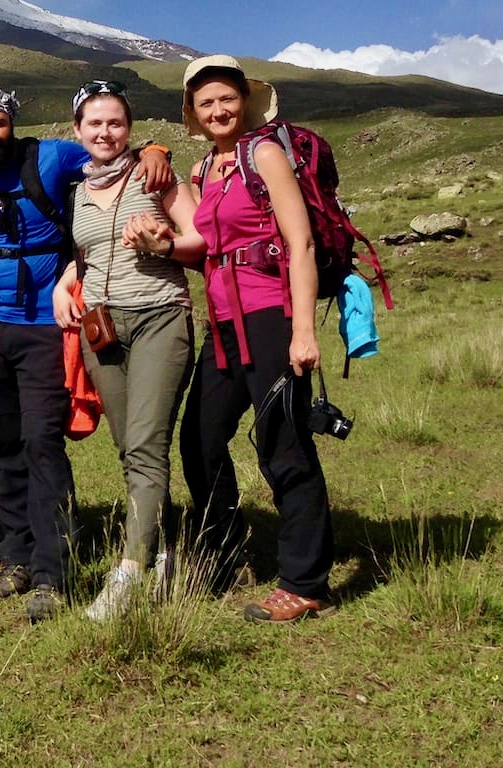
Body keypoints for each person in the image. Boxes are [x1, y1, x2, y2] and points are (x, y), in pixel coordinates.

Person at [0, 86, 172, 622]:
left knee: (42, 440)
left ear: (11, 123)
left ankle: (52, 571)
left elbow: (113, 149)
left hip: (46, 324)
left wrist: (157, 148)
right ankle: (15, 554)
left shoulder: (54, 155)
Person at [176, 55, 338, 622]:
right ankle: (220, 553)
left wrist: (302, 331)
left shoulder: (264, 154)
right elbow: (198, 245)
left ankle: (304, 581)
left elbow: (302, 245)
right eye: (206, 103)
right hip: (222, 324)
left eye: (226, 98)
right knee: (198, 442)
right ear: (193, 114)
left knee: (284, 446)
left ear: (244, 101)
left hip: (270, 317)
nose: (218, 110)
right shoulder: (203, 170)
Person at [51, 80, 201, 622]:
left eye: (115, 123)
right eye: (94, 123)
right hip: (102, 330)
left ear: (130, 128)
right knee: (130, 446)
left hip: (161, 317)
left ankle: (130, 573)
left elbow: (202, 241)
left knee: (144, 443)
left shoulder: (154, 175)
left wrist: (163, 244)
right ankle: (162, 555)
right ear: (78, 131)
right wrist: (62, 285)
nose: (105, 132)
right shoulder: (77, 192)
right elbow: (86, 255)